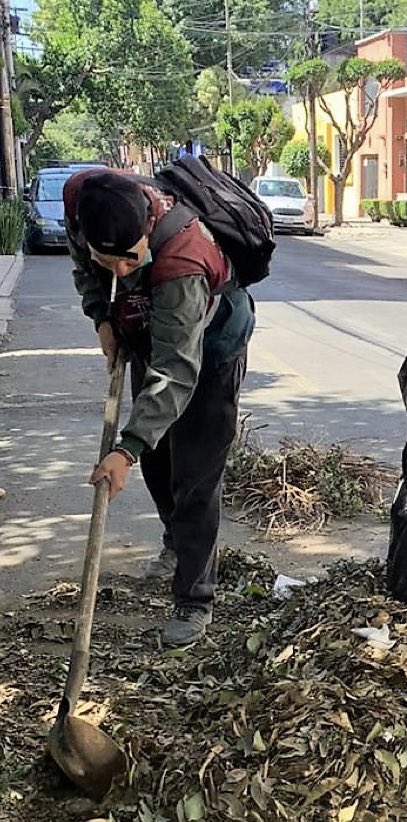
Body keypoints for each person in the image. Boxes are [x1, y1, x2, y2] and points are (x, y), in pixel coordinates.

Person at [64, 170, 255, 646]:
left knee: (194, 478)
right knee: (159, 462)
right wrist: (103, 318)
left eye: (130, 259)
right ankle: (178, 544)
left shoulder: (182, 264)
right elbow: (85, 268)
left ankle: (195, 600)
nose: (121, 272)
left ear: (148, 229)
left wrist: (123, 449)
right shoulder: (80, 205)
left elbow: (176, 372)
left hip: (208, 352)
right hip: (148, 332)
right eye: (110, 261)